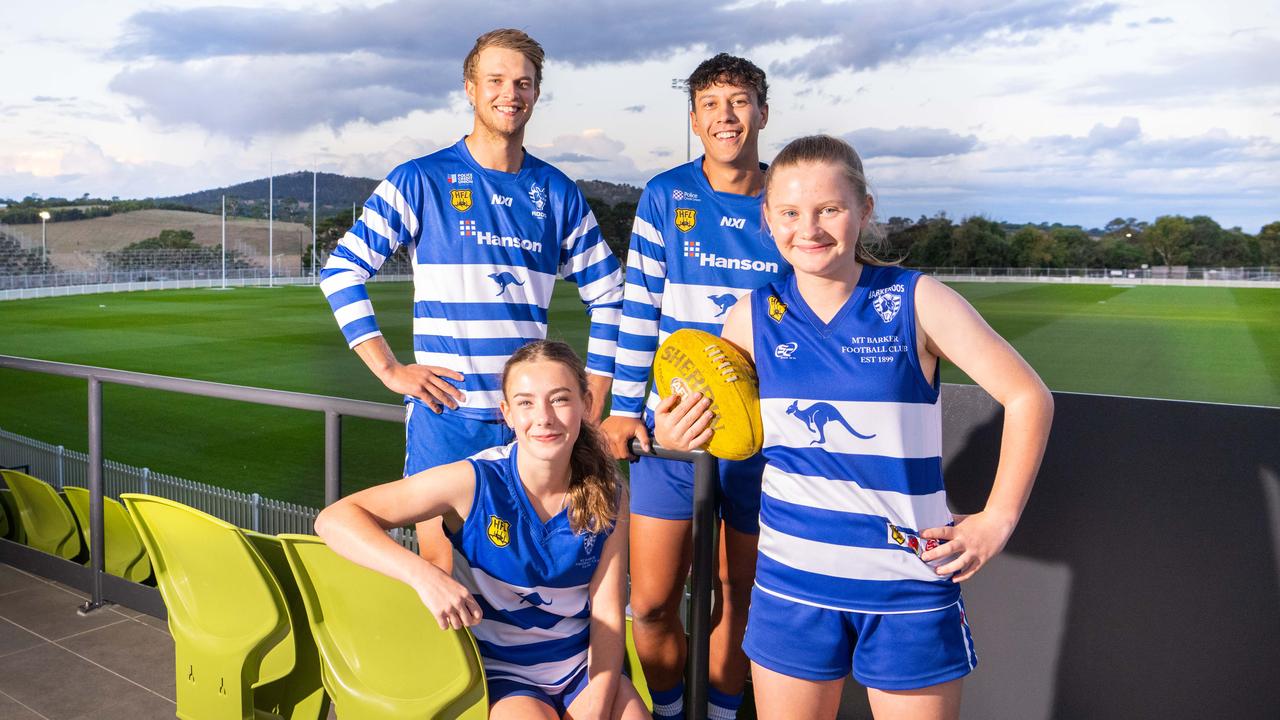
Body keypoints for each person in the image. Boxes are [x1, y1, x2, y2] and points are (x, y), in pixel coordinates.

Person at [656, 135, 1054, 720]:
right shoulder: (750, 316)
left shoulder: (916, 300)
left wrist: (998, 518)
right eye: (789, 213)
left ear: (864, 210)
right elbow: (714, 424)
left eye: (829, 210)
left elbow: (1028, 397)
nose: (808, 229)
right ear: (767, 218)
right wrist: (678, 436)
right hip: (792, 585)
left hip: (906, 587)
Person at [320, 29, 624, 572]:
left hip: (529, 424)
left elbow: (610, 293)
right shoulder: (421, 180)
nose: (511, 93)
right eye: (497, 80)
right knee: (445, 574)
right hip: (448, 418)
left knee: (523, 572)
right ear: (470, 87)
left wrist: (595, 391)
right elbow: (341, 271)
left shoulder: (556, 192)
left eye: (524, 83)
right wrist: (389, 370)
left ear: (536, 93)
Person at [316, 340, 650, 720]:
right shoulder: (474, 481)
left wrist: (599, 698)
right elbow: (335, 519)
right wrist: (425, 577)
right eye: (525, 402)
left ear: (586, 405)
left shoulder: (609, 491)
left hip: (583, 667)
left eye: (559, 399)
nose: (543, 417)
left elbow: (607, 611)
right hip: (502, 672)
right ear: (506, 413)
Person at [600, 54, 787, 720]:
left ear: (763, 113)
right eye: (711, 105)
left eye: (738, 102)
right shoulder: (666, 195)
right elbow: (639, 311)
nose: (725, 116)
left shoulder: (784, 198)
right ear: (694, 120)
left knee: (740, 600)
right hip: (671, 437)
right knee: (650, 602)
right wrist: (624, 411)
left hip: (761, 439)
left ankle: (723, 714)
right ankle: (676, 709)